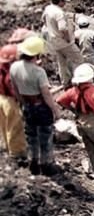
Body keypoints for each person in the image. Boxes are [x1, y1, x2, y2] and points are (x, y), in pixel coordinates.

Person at [10, 36, 59, 175]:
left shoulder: (14, 67)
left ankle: (33, 162)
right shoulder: (39, 72)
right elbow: (46, 94)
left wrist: (23, 102)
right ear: (36, 54)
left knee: (31, 135)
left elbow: (15, 88)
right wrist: (55, 110)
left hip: (27, 105)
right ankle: (46, 164)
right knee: (45, 136)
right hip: (41, 107)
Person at [42, 0, 82, 84]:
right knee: (79, 60)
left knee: (62, 63)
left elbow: (43, 19)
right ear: (60, 1)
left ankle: (65, 82)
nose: (64, 3)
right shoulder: (59, 13)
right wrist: (68, 38)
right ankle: (79, 81)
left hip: (54, 41)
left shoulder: (48, 8)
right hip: (64, 42)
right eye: (63, 1)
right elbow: (63, 28)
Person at [0, 44, 27, 167]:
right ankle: (17, 153)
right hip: (10, 100)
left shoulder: (2, 67)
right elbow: (14, 90)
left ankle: (7, 146)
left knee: (5, 125)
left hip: (1, 98)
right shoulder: (10, 73)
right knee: (15, 126)